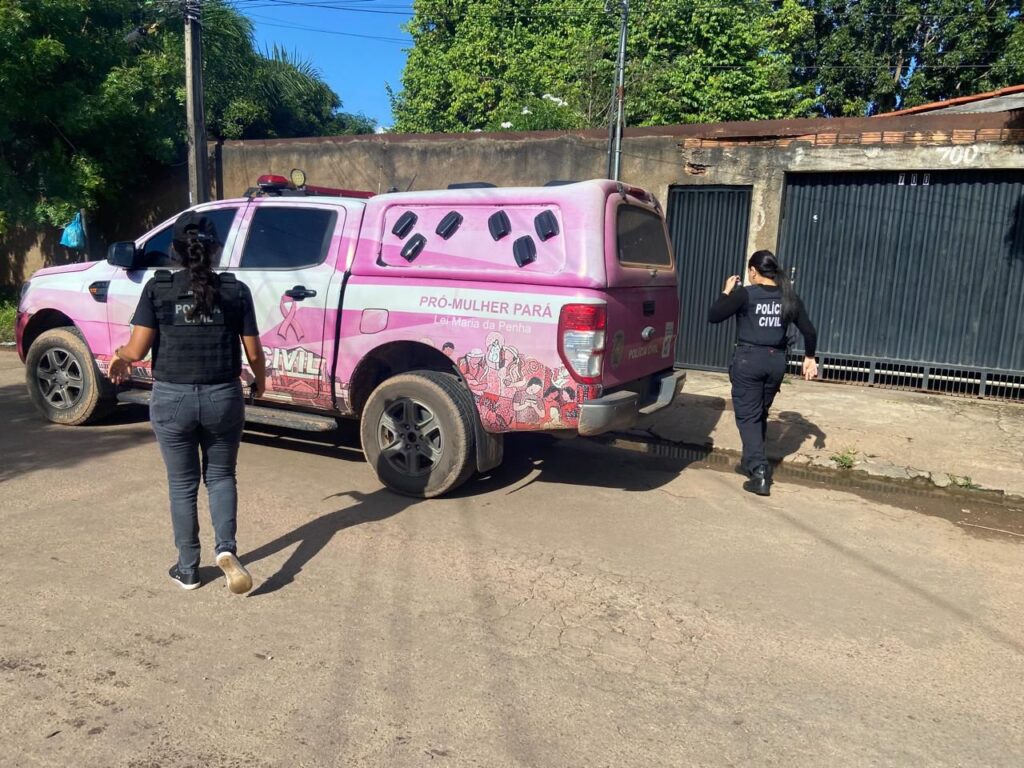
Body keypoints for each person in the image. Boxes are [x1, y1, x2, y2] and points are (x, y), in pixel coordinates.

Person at [108, 211, 267, 592]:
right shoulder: (235, 290)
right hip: (223, 396)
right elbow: (254, 352)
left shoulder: (157, 287)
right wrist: (259, 381)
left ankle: (188, 567)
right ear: (214, 251)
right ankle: (226, 549)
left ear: (175, 250)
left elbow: (139, 347)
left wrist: (121, 357)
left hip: (173, 399)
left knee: (182, 485)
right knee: (221, 476)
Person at [708, 250, 818, 496]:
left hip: (749, 361)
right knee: (758, 413)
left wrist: (726, 291)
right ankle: (750, 463)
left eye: (750, 272)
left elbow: (714, 315)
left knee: (748, 417)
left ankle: (759, 471)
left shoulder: (745, 294)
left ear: (754, 271)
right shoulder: (788, 297)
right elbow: (809, 331)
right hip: (775, 362)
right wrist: (809, 358)